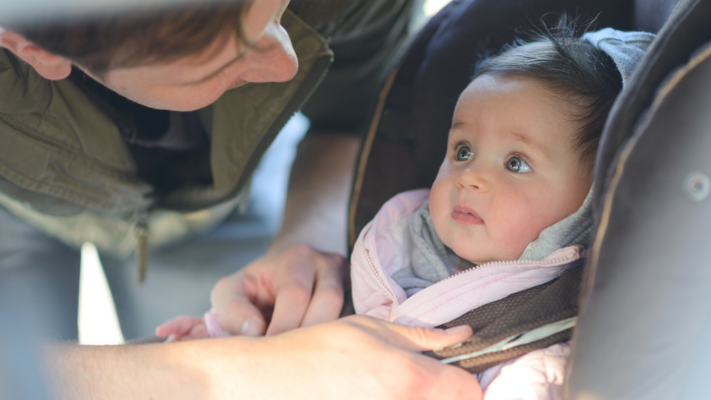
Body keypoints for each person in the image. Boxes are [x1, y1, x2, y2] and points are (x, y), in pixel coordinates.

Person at [0, 0, 485, 399]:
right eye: (227, 56)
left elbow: (356, 112)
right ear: (34, 49)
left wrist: (300, 242)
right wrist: (228, 373)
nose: (287, 64)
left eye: (280, 9)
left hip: (217, 206)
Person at [159, 19, 655, 399]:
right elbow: (304, 325)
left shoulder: (548, 337)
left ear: (594, 199)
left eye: (516, 162)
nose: (471, 175)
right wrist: (218, 338)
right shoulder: (396, 248)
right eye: (462, 150)